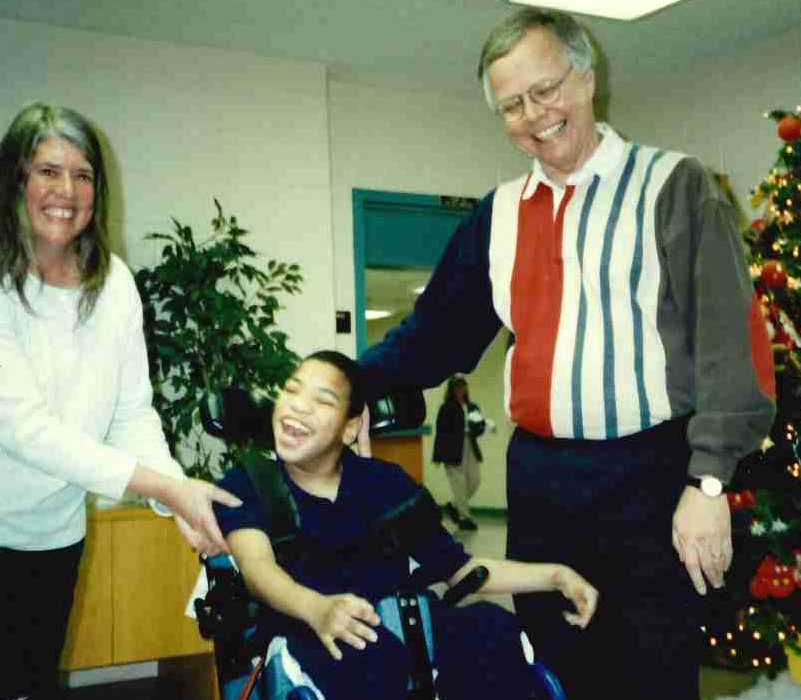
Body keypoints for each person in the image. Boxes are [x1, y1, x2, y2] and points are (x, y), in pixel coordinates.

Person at [357, 7, 777, 700]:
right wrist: (346, 383)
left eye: (545, 89)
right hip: (542, 483)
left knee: (651, 674)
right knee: (550, 674)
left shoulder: (674, 185)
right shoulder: (496, 215)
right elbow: (434, 336)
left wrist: (707, 485)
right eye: (511, 105)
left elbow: (731, 347)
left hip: (651, 478)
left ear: (586, 78)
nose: (534, 116)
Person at [0, 101, 240, 700]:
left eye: (83, 175)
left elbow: (131, 412)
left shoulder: (113, 282)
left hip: (53, 539)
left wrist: (176, 498)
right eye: (48, 171)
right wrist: (167, 488)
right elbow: (26, 430)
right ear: (14, 179)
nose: (66, 191)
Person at [213, 350, 598, 700]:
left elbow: (460, 569)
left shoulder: (387, 483)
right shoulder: (250, 483)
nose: (298, 406)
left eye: (322, 400)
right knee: (368, 659)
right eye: (292, 390)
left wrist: (555, 576)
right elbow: (257, 570)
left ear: (351, 428)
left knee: (491, 628)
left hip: (401, 627)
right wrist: (316, 609)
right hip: (310, 630)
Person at [432, 373, 495, 531]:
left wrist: (486, 426)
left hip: (469, 447)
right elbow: (441, 433)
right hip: (452, 450)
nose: (461, 389)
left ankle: (454, 506)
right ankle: (465, 518)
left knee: (474, 480)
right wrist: (438, 456)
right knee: (459, 484)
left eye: (463, 386)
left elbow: (477, 430)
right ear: (452, 389)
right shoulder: (446, 408)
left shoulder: (472, 407)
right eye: (457, 387)